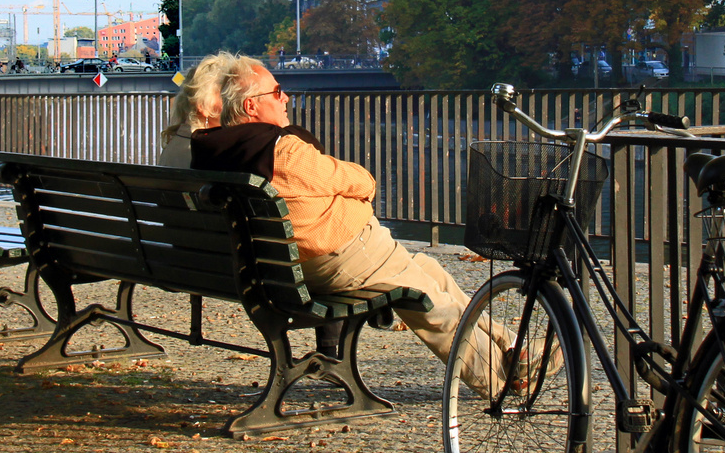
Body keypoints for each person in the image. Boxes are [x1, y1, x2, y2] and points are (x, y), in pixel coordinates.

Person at [190, 57, 507, 394]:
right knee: (427, 300)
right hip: (338, 259)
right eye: (277, 91)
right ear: (251, 105)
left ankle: (513, 348)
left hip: (279, 270)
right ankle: (499, 381)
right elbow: (361, 181)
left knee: (430, 269)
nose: (285, 99)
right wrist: (353, 195)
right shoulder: (284, 152)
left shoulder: (212, 150)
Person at [158, 52, 239, 168]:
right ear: (204, 105)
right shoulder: (207, 152)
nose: (237, 104)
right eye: (228, 96)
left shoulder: (178, 142)